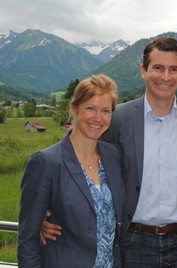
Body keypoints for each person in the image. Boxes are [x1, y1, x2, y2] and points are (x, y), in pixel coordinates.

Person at [41, 37, 177, 267]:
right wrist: (45, 212)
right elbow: (76, 154)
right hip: (133, 241)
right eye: (158, 68)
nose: (165, 76)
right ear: (143, 70)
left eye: (174, 69)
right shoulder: (117, 118)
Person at [18, 74, 125, 268]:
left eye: (106, 111)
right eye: (90, 108)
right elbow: (27, 239)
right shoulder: (46, 162)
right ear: (75, 109)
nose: (98, 118)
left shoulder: (113, 156)